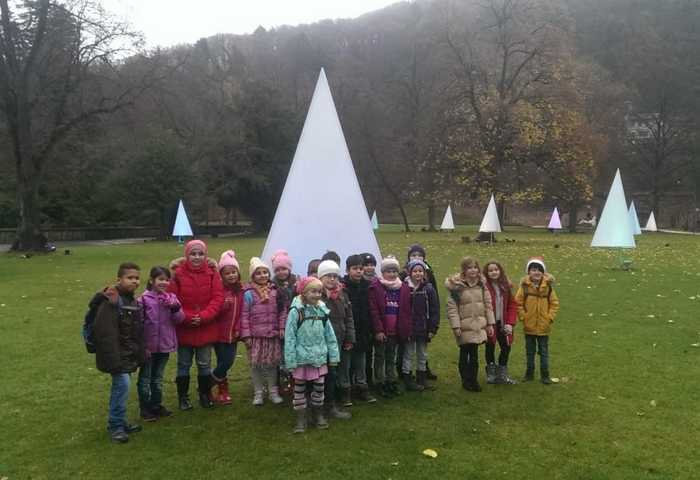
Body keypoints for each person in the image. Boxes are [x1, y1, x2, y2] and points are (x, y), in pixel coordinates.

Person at [92, 262, 145, 443]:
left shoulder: (130, 299)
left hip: (125, 353)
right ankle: (116, 426)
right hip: (115, 355)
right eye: (130, 278)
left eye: (137, 278)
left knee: (123, 387)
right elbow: (106, 333)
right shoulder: (112, 301)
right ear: (119, 279)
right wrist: (114, 359)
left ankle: (120, 422)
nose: (135, 281)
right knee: (121, 386)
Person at [169, 240, 224, 411]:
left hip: (206, 326)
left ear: (205, 255)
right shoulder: (177, 274)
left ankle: (204, 394)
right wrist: (187, 317)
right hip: (184, 326)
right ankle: (183, 397)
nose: (197, 257)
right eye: (193, 253)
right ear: (187, 255)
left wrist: (204, 316)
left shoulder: (212, 274)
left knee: (204, 363)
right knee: (183, 363)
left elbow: (218, 297)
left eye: (200, 253)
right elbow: (172, 298)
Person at [284, 277, 340, 433]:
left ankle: (318, 415)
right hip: (301, 360)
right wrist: (290, 361)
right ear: (303, 292)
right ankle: (301, 418)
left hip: (319, 358)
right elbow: (289, 337)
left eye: (319, 292)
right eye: (313, 291)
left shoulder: (322, 311)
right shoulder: (296, 312)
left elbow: (330, 335)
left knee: (319, 389)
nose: (317, 295)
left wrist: (333, 356)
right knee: (299, 390)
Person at [137, 266, 184, 421]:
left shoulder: (171, 298)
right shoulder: (143, 300)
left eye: (166, 279)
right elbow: (138, 324)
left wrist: (174, 308)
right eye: (160, 279)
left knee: (157, 378)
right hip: (148, 347)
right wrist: (142, 346)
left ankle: (156, 405)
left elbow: (179, 319)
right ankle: (145, 408)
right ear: (151, 280)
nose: (163, 282)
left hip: (164, 345)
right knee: (145, 378)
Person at [240, 257, 287, 405]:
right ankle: (258, 393)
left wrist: (281, 327)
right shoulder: (248, 294)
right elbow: (244, 315)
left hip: (272, 335)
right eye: (258, 273)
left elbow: (282, 312)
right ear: (253, 276)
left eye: (265, 272)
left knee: (272, 364)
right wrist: (246, 335)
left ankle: (273, 391)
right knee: (256, 365)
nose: (263, 275)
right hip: (256, 337)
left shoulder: (275, 292)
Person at [445, 257, 495, 392]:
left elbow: (488, 305)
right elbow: (452, 308)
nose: (473, 270)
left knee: (474, 354)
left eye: (475, 267)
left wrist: (490, 324)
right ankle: (465, 380)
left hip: (477, 325)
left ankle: (473, 380)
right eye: (469, 268)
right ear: (464, 270)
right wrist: (456, 326)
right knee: (464, 351)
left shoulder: (482, 285)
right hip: (463, 325)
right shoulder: (457, 287)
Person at [368, 255, 411, 398]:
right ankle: (379, 382)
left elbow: (406, 310)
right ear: (383, 272)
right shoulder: (376, 287)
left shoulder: (403, 288)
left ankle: (390, 380)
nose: (391, 274)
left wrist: (404, 329)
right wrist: (378, 330)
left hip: (395, 329)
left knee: (391, 357)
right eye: (388, 271)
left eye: (394, 271)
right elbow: (374, 311)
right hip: (382, 329)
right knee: (379, 357)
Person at [515, 257, 560, 384]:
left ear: (543, 273)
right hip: (529, 326)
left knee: (544, 352)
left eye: (539, 270)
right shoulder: (524, 287)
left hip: (544, 327)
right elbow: (518, 303)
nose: (536, 273)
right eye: (533, 270)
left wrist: (549, 317)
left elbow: (554, 303)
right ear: (529, 272)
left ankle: (545, 375)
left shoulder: (548, 287)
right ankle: (529, 373)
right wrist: (523, 317)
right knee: (530, 352)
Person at [398, 244, 440, 381]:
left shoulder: (428, 287)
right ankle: (406, 375)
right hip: (410, 327)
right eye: (413, 255)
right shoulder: (404, 287)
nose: (418, 274)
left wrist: (433, 327)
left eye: (419, 255)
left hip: (423, 326)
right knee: (408, 353)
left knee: (422, 353)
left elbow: (434, 307)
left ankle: (422, 375)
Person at [318, 260, 354, 419]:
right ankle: (318, 407)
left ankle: (331, 405)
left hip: (338, 340)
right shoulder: (315, 296)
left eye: (334, 276)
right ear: (320, 277)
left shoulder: (343, 295)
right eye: (328, 276)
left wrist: (349, 337)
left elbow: (349, 318)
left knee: (333, 373)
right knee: (321, 376)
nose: (332, 279)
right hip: (319, 343)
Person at [341, 255, 376, 403]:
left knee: (361, 361)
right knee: (346, 363)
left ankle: (362, 387)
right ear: (348, 270)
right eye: (355, 269)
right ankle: (345, 390)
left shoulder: (367, 286)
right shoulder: (343, 287)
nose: (359, 272)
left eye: (360, 269)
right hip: (348, 330)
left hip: (363, 329)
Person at [211, 250, 244, 405]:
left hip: (234, 334)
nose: (231, 276)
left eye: (234, 272)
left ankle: (209, 386)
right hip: (219, 334)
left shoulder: (241, 291)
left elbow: (244, 312)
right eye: (227, 273)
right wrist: (222, 307)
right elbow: (213, 311)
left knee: (227, 362)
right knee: (223, 362)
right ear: (221, 276)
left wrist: (240, 328)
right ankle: (220, 390)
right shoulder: (218, 291)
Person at [483, 260, 518, 385]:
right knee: (490, 346)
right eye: (490, 270)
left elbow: (512, 305)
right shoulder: (484, 287)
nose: (493, 272)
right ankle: (491, 373)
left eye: (496, 270)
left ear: (500, 271)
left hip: (503, 322)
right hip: (490, 323)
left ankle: (502, 374)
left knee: (506, 346)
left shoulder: (506, 286)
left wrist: (510, 323)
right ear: (486, 273)